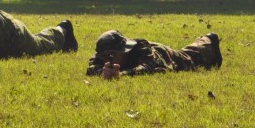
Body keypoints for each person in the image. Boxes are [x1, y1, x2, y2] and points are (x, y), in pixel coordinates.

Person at [86, 30, 222, 79]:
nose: (106, 60)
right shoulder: (101, 56)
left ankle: (209, 40)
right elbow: (92, 67)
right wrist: (102, 73)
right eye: (104, 57)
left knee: (189, 57)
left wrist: (121, 74)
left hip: (164, 55)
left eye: (111, 56)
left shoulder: (144, 51)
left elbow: (149, 67)